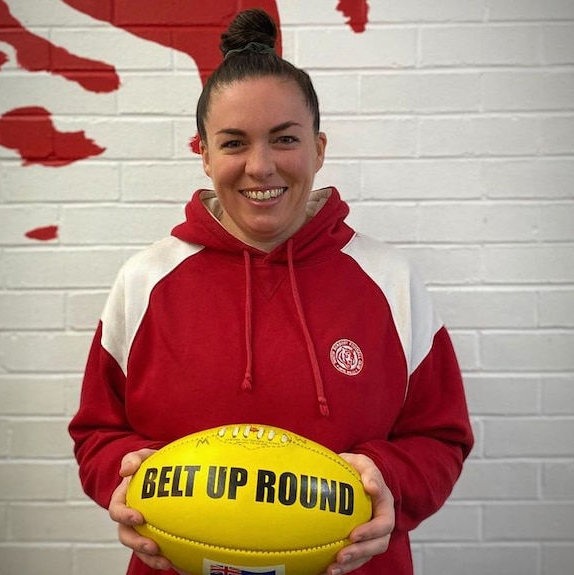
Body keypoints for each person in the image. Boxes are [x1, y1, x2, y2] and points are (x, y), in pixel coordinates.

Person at [69, 8, 473, 575]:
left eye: (284, 139)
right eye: (234, 143)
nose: (261, 167)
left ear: (319, 148)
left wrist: (390, 482)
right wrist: (124, 472)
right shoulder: (146, 280)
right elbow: (97, 430)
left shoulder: (390, 280)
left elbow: (440, 436)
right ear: (204, 153)